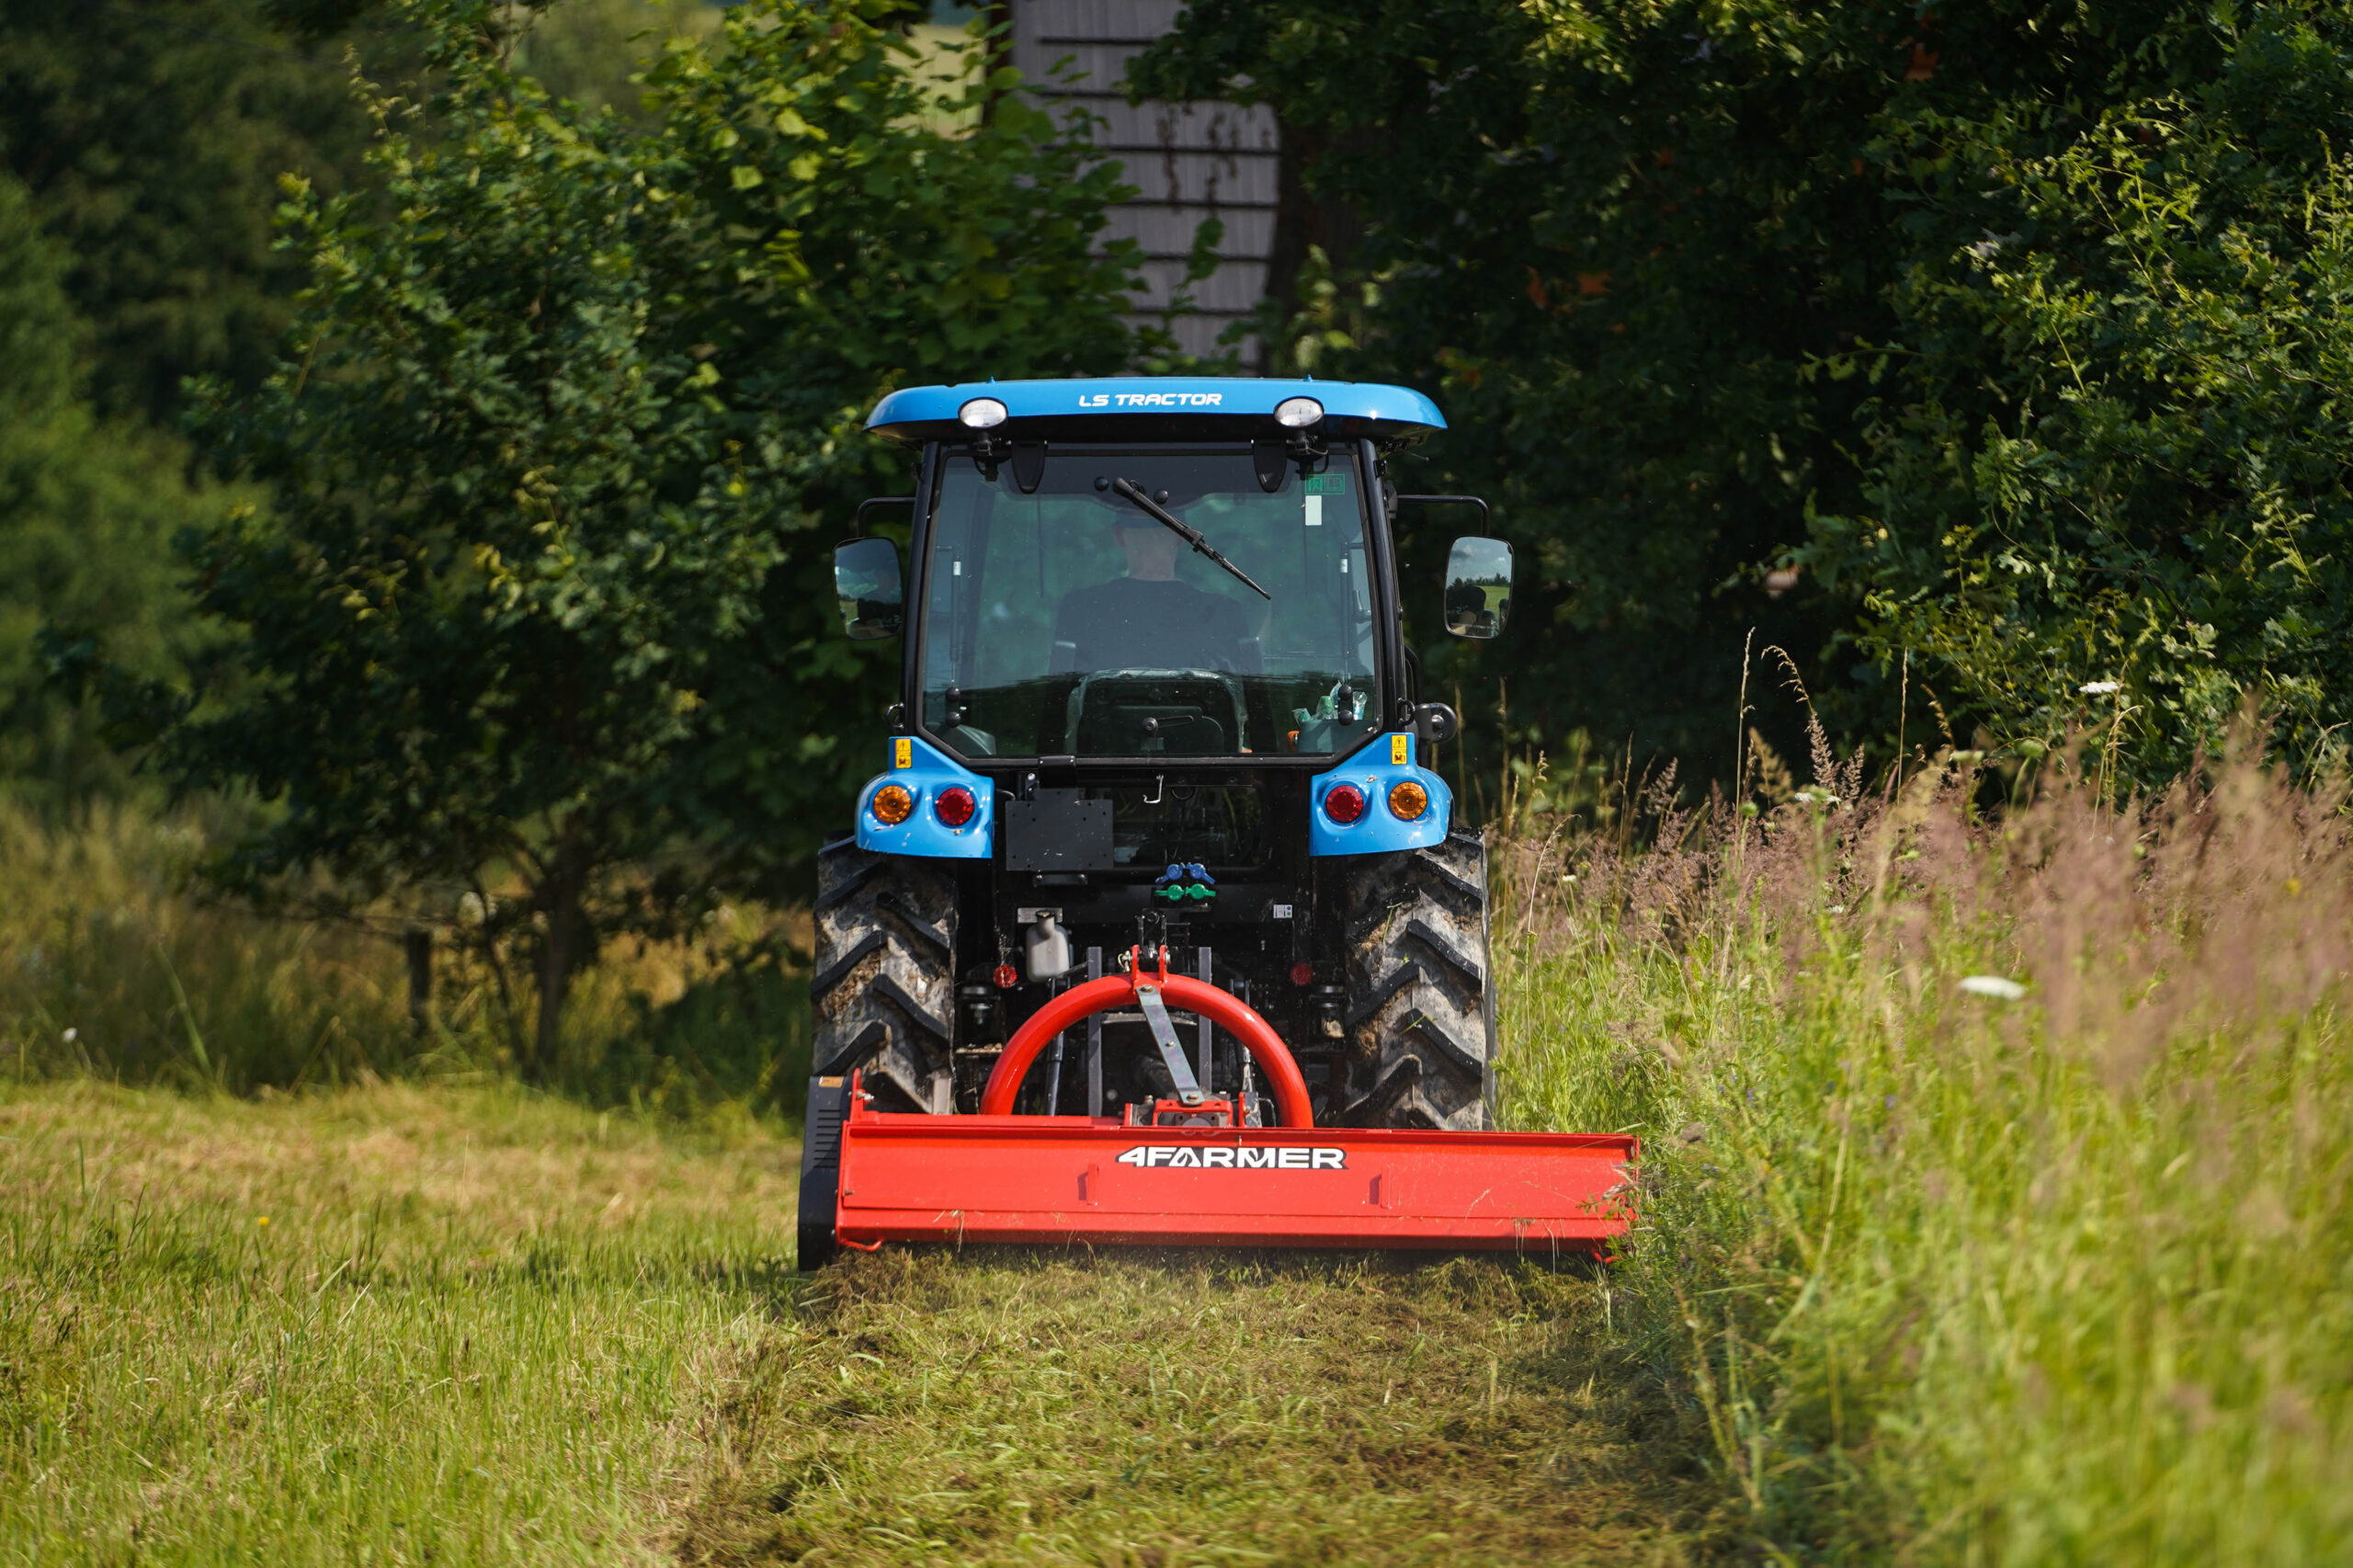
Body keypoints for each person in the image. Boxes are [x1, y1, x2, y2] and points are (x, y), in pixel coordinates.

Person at [1051, 514, 1256, 672]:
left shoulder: (1080, 609)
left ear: (1118, 535)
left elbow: (1058, 705)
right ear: (1182, 538)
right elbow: (1250, 707)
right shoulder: (1225, 614)